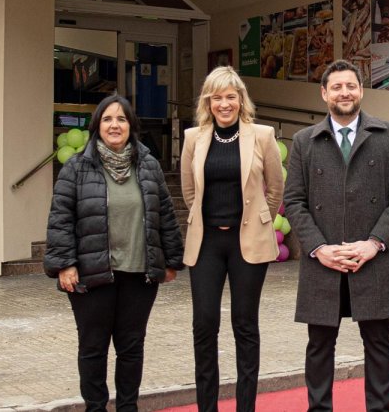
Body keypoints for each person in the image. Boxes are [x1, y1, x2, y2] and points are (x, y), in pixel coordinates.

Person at [283, 59, 389, 412]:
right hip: (324, 260)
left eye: (351, 86)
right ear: (324, 94)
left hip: (372, 259)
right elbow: (293, 201)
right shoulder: (303, 141)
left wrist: (374, 243)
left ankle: (379, 408)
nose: (345, 92)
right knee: (319, 344)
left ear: (361, 91)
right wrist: (317, 248)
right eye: (337, 87)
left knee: (378, 341)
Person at [45, 94, 184, 412]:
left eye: (121, 119)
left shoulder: (148, 166)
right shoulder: (77, 168)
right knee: (93, 348)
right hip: (92, 274)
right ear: (96, 126)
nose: (114, 125)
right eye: (107, 119)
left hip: (139, 274)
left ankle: (127, 407)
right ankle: (95, 407)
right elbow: (60, 218)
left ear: (131, 125)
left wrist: (172, 260)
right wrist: (64, 264)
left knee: (131, 347)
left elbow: (164, 213)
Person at [181, 67, 284, 411]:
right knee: (204, 324)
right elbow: (188, 191)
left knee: (245, 324)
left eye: (230, 96)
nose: (224, 104)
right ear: (207, 102)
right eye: (217, 97)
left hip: (248, 244)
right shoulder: (194, 137)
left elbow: (274, 188)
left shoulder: (262, 135)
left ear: (241, 100)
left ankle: (245, 407)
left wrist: (257, 220)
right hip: (207, 242)